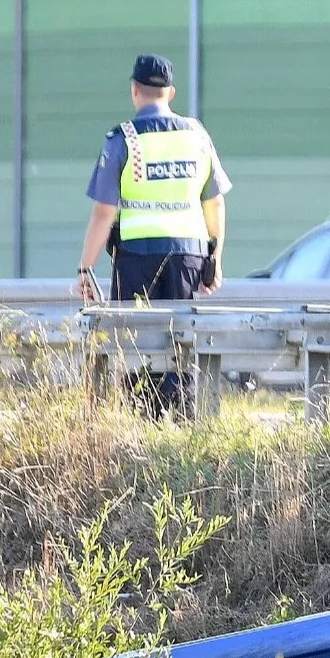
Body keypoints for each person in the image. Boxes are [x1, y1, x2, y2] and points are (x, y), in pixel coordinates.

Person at [75, 54, 231, 414]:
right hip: (190, 257)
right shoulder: (197, 136)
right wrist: (215, 258)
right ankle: (183, 428)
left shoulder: (121, 139)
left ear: (134, 91)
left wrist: (86, 267)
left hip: (136, 259)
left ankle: (141, 427)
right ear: (171, 93)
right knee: (183, 350)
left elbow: (103, 212)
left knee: (136, 352)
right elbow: (215, 204)